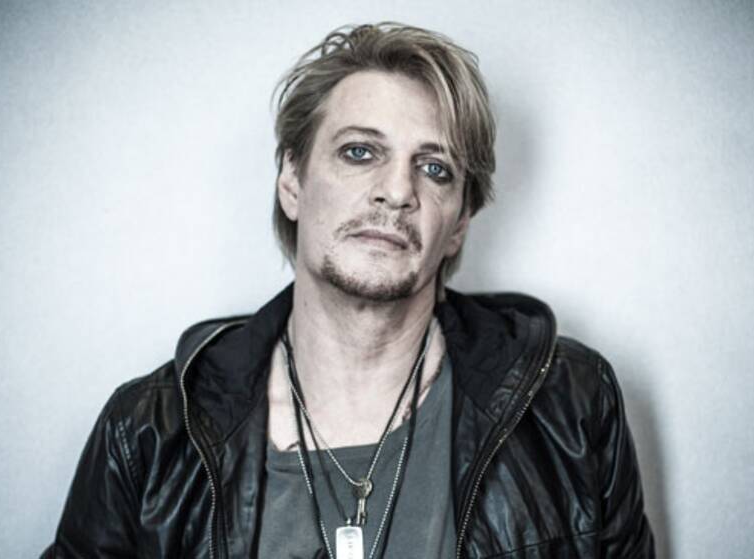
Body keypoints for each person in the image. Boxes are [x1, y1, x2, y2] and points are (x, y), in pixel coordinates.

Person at [43, 22, 655, 559]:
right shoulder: (147, 433)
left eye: (435, 168)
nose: (398, 191)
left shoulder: (572, 406)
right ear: (292, 181)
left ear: (459, 224)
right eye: (360, 152)